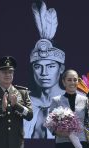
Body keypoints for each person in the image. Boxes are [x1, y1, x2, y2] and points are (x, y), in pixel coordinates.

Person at [24, 1, 66, 139]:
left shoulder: (74, 100)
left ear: (61, 69)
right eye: (38, 66)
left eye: (51, 66)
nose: (44, 73)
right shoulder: (22, 101)